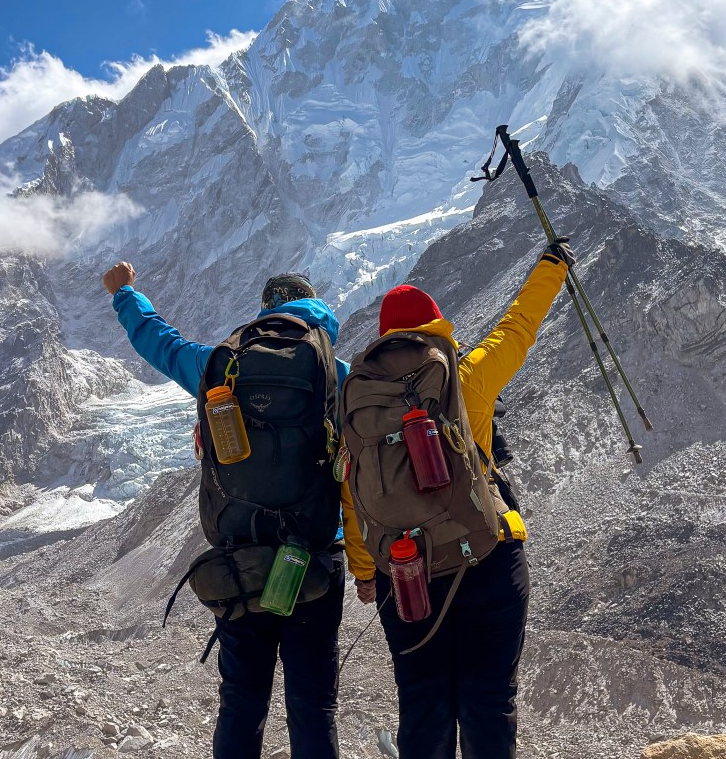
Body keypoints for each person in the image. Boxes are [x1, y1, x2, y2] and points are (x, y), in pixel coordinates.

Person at [102, 261, 375, 759]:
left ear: (264, 314)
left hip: (238, 565)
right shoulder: (335, 374)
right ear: (315, 316)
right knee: (313, 706)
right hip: (313, 561)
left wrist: (126, 294)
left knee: (242, 703)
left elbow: (160, 343)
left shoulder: (222, 365)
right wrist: (367, 567)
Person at [345, 238, 575, 759]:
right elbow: (518, 327)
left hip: (404, 575)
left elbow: (354, 494)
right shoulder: (465, 377)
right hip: (486, 561)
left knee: (423, 706)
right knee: (489, 702)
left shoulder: (360, 403)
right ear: (436, 329)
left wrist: (366, 573)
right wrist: (552, 266)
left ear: (385, 341)